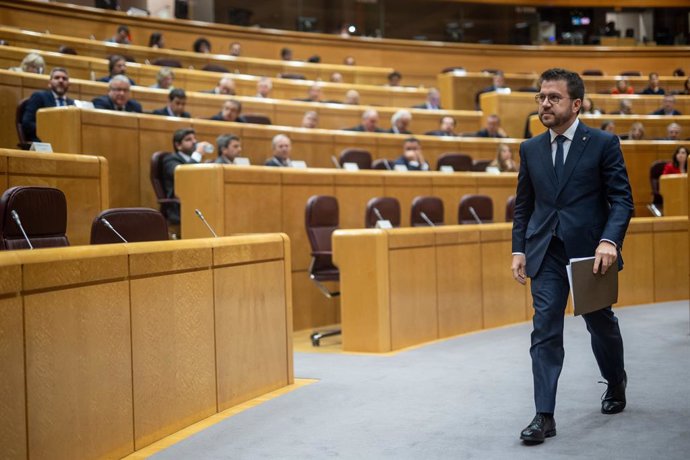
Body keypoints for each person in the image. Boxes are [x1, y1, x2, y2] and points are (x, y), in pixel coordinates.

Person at [512, 68, 633, 445]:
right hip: (545, 250)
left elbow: (622, 200)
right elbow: (524, 205)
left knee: (600, 324)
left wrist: (610, 241)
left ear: (576, 103)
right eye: (541, 97)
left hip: (591, 254)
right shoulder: (530, 148)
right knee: (545, 328)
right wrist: (518, 248)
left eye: (554, 97)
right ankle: (543, 415)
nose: (544, 104)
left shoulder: (602, 143)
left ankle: (615, 380)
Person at [162, 128, 212, 223]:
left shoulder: (194, 160)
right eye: (188, 139)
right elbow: (183, 176)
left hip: (197, 202)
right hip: (179, 206)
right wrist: (197, 154)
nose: (194, 142)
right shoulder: (170, 159)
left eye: (194, 138)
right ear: (178, 145)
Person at [21, 67, 75, 142]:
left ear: (69, 84)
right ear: (49, 83)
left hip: (66, 142)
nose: (61, 80)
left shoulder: (72, 104)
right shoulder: (39, 97)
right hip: (43, 142)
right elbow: (27, 123)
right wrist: (52, 132)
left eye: (64, 79)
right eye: (57, 78)